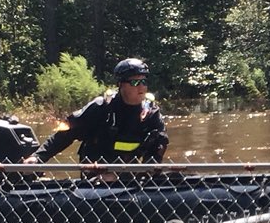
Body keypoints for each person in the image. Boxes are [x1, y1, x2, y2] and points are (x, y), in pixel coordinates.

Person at [34, 57, 169, 167]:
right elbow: (65, 135)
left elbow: (159, 146)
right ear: (120, 84)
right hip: (96, 171)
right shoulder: (101, 107)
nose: (142, 87)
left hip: (129, 173)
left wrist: (147, 173)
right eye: (135, 82)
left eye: (144, 82)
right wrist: (38, 158)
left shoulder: (151, 113)